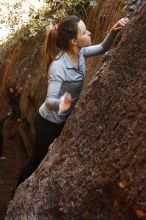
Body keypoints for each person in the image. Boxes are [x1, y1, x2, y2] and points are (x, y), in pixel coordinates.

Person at [16, 15, 129, 187]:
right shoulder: (58, 67)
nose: (89, 33)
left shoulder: (81, 52)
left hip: (62, 119)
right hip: (48, 122)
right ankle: (17, 190)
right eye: (84, 32)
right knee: (36, 161)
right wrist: (63, 104)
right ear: (74, 41)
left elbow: (104, 47)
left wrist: (114, 29)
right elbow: (49, 101)